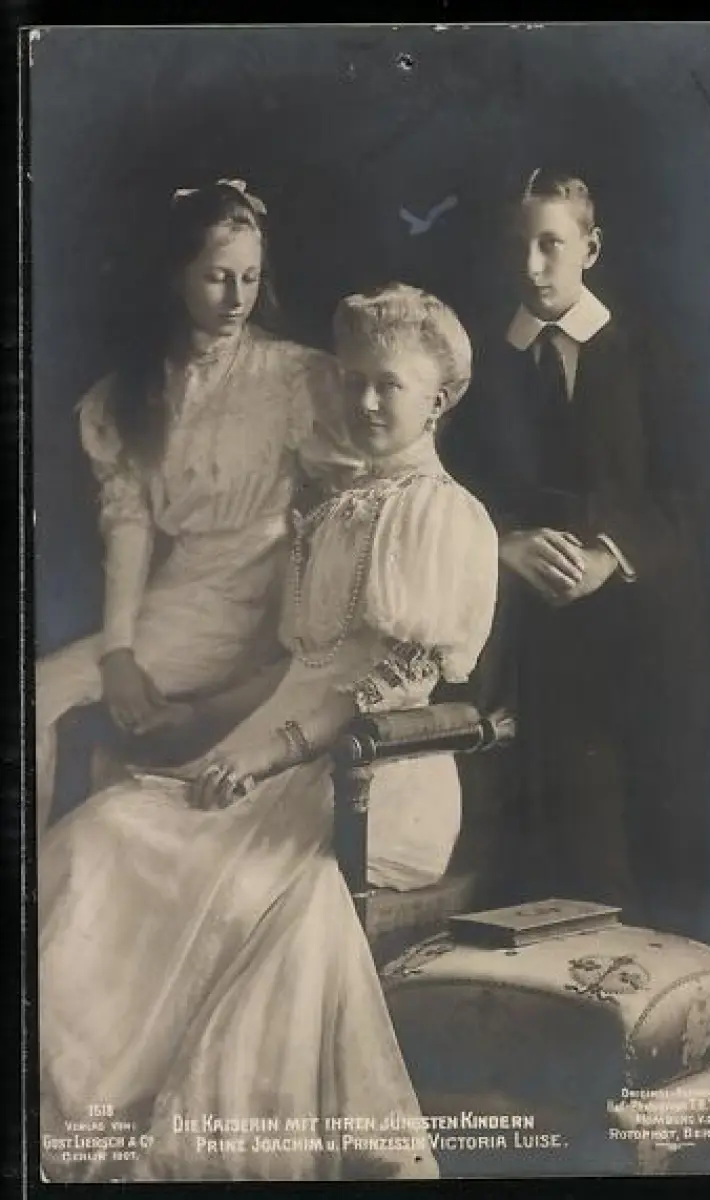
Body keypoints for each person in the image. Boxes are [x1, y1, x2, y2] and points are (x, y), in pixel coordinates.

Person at [38, 283, 499, 1182]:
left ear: (437, 398)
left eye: (390, 386)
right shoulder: (336, 506)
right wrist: (199, 722)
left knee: (218, 879)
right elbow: (294, 669)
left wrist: (258, 755)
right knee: (105, 830)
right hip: (278, 762)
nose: (366, 401)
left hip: (376, 782)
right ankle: (76, 1099)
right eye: (354, 381)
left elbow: (377, 686)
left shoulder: (441, 515)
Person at [36, 179, 353, 833]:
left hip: (255, 607)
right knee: (39, 693)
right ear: (177, 275)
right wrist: (118, 651)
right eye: (217, 277)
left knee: (43, 694)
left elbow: (361, 495)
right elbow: (128, 526)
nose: (236, 298)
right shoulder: (131, 392)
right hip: (176, 600)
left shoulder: (293, 378)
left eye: (249, 278)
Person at [441, 168, 707, 933]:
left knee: (652, 844)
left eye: (550, 245)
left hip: (643, 632)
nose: (532, 266)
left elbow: (692, 492)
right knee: (560, 849)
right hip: (533, 641)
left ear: (589, 248)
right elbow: (448, 488)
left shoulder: (649, 352)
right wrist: (504, 543)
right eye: (517, 247)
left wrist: (608, 556)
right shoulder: (480, 365)